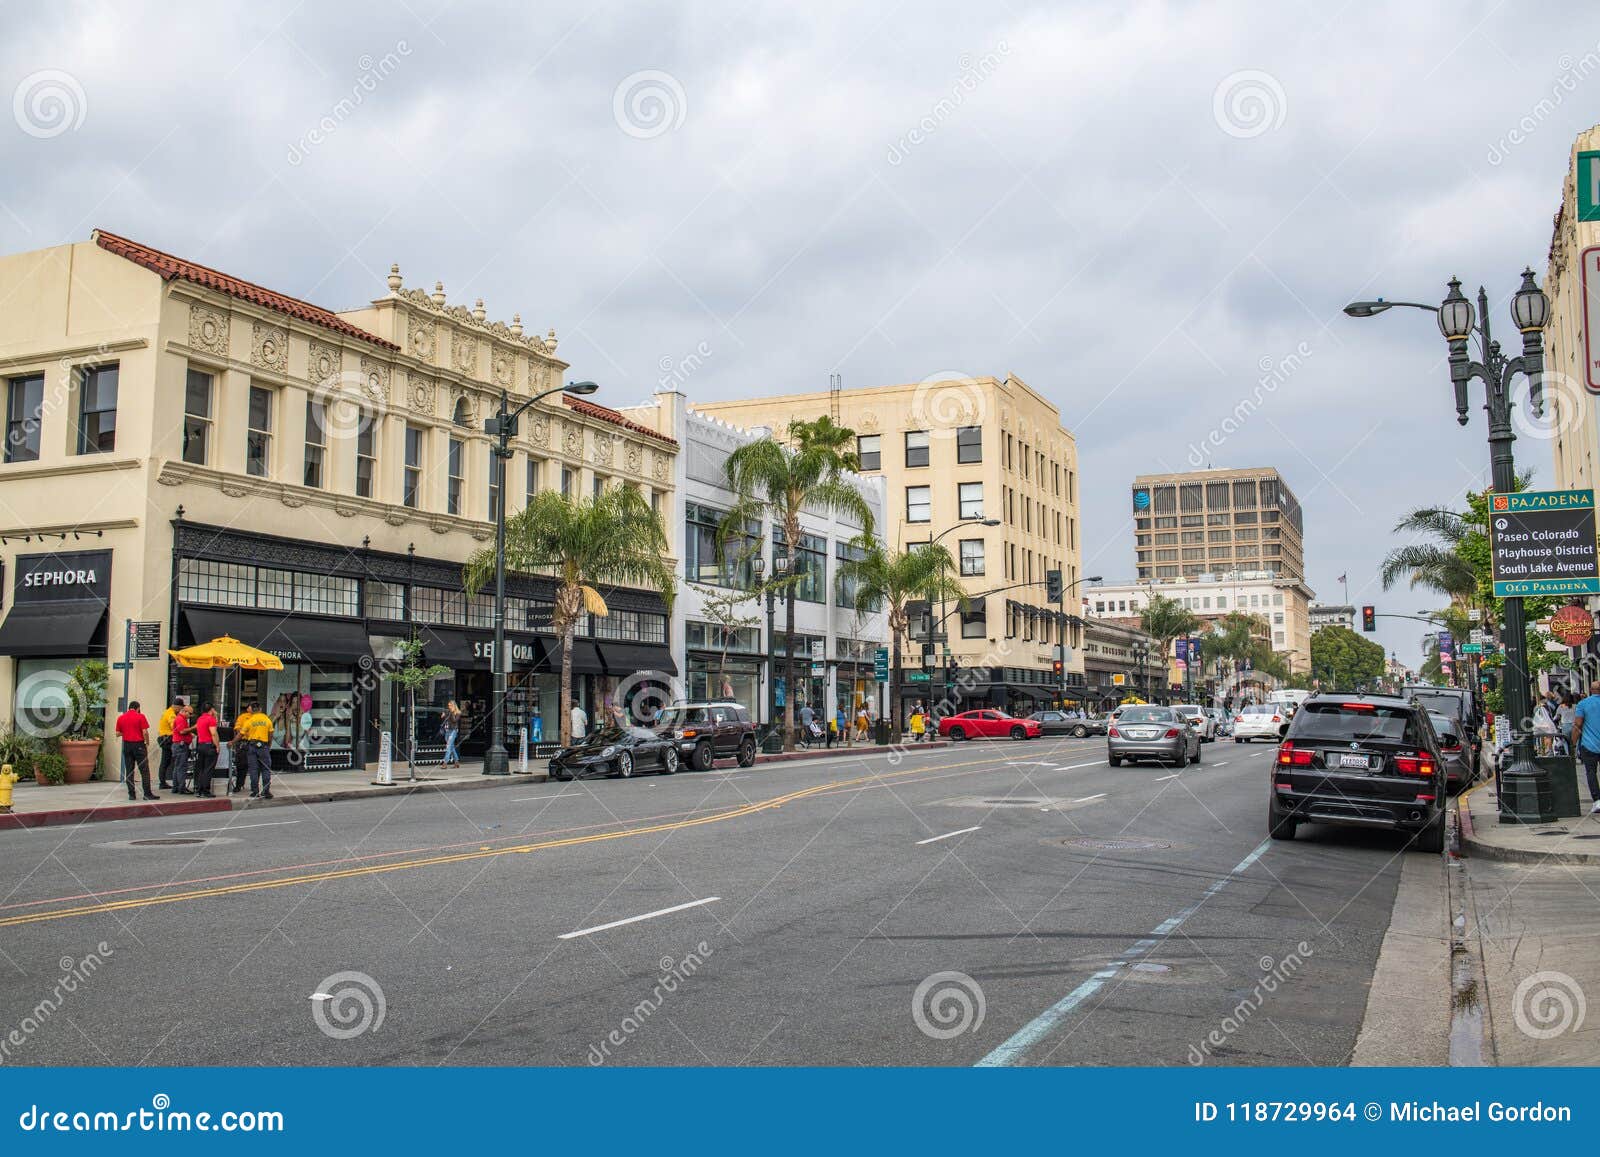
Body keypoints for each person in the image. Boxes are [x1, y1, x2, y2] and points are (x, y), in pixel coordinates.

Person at [114, 700, 158, 802]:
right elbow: (145, 732)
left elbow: (117, 733)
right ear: (137, 708)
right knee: (144, 770)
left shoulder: (121, 717)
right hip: (139, 745)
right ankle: (147, 794)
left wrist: (126, 732)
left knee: (129, 770)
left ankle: (131, 795)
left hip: (127, 745)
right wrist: (147, 742)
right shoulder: (140, 716)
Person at [233, 700, 275, 799]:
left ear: (252, 710)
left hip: (252, 746)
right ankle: (266, 791)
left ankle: (255, 791)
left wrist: (232, 742)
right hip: (263, 746)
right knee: (265, 769)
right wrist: (268, 746)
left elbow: (240, 734)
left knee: (253, 769)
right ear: (260, 709)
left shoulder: (249, 721)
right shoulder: (267, 720)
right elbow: (271, 735)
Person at [1570, 681, 1600, 815]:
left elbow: (1578, 724)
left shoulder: (1583, 704)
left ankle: (1597, 801)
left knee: (1591, 772)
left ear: (1591, 690)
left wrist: (1573, 743)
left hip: (1589, 745)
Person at [156, 695, 183, 789]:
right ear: (177, 706)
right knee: (167, 761)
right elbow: (174, 726)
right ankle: (163, 782)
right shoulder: (171, 714)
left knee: (165, 761)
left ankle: (162, 782)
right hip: (167, 739)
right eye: (181, 708)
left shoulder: (167, 712)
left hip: (163, 738)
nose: (180, 710)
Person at [193, 701, 219, 797]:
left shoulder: (200, 719)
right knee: (208, 769)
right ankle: (205, 790)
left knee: (202, 768)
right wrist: (217, 746)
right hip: (209, 745)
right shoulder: (210, 719)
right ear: (211, 709)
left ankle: (199, 789)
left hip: (201, 745)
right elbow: (213, 733)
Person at [170, 702, 195, 795]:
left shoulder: (182, 719)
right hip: (180, 745)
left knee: (177, 767)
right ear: (184, 711)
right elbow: (182, 731)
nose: (190, 716)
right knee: (181, 767)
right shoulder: (180, 719)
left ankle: (176, 787)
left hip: (179, 745)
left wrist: (189, 734)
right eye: (190, 713)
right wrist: (193, 728)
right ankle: (181, 787)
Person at [441, 700, 463, 768]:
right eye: (448, 705)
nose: (449, 707)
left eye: (450, 705)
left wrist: (451, 713)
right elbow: (443, 719)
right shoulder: (447, 712)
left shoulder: (458, 713)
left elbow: (454, 720)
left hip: (453, 731)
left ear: (454, 706)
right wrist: (444, 715)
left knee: (448, 746)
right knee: (451, 746)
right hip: (447, 730)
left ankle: (445, 763)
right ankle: (456, 762)